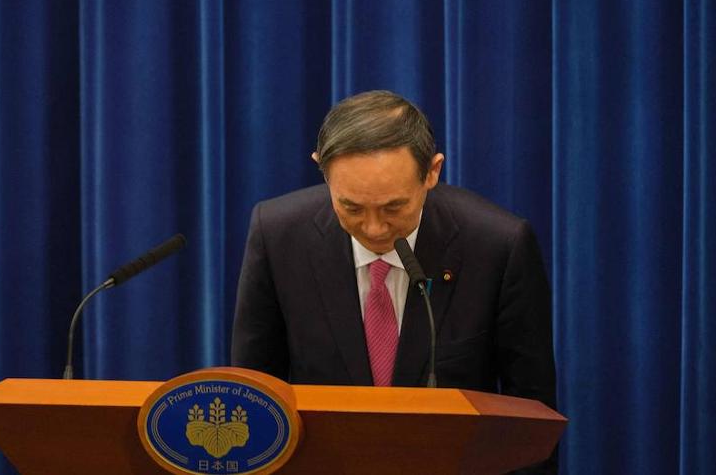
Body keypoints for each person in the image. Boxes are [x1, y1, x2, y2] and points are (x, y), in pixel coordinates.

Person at [231, 90, 556, 469]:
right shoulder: (277, 236)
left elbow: (532, 421)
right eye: (351, 207)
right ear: (322, 168)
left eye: (394, 207)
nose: (374, 228)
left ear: (432, 172)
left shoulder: (497, 246)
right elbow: (254, 396)